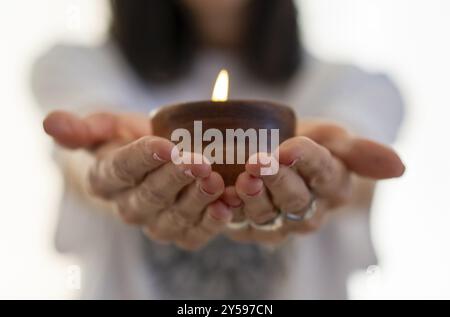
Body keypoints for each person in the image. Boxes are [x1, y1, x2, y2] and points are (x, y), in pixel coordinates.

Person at [33, 0, 405, 299]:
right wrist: (107, 167)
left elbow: (353, 170)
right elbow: (83, 157)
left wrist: (332, 179)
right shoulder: (78, 67)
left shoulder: (354, 86)